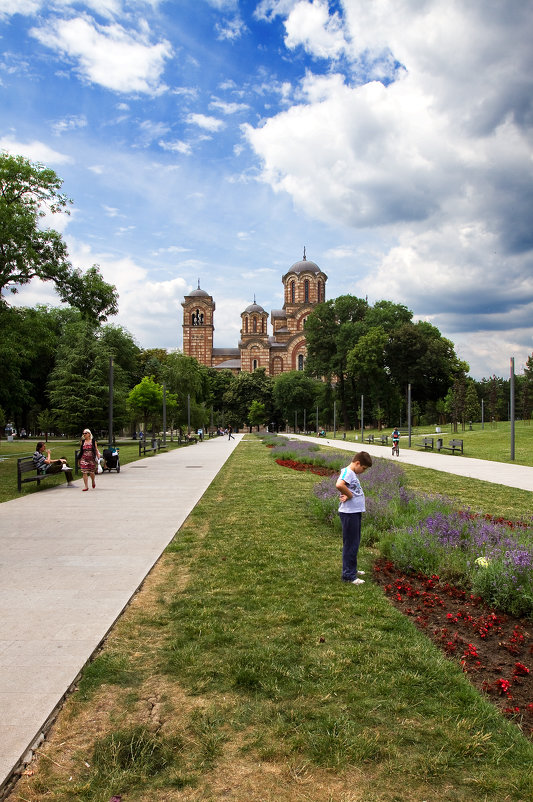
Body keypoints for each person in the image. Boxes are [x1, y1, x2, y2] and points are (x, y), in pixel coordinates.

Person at [335, 451, 372, 585]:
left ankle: (352, 569)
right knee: (351, 544)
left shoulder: (352, 473)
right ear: (357, 463)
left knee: (354, 543)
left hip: (354, 512)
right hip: (349, 514)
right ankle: (349, 575)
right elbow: (339, 484)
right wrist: (350, 496)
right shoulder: (348, 472)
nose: (363, 471)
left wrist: (349, 494)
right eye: (363, 468)